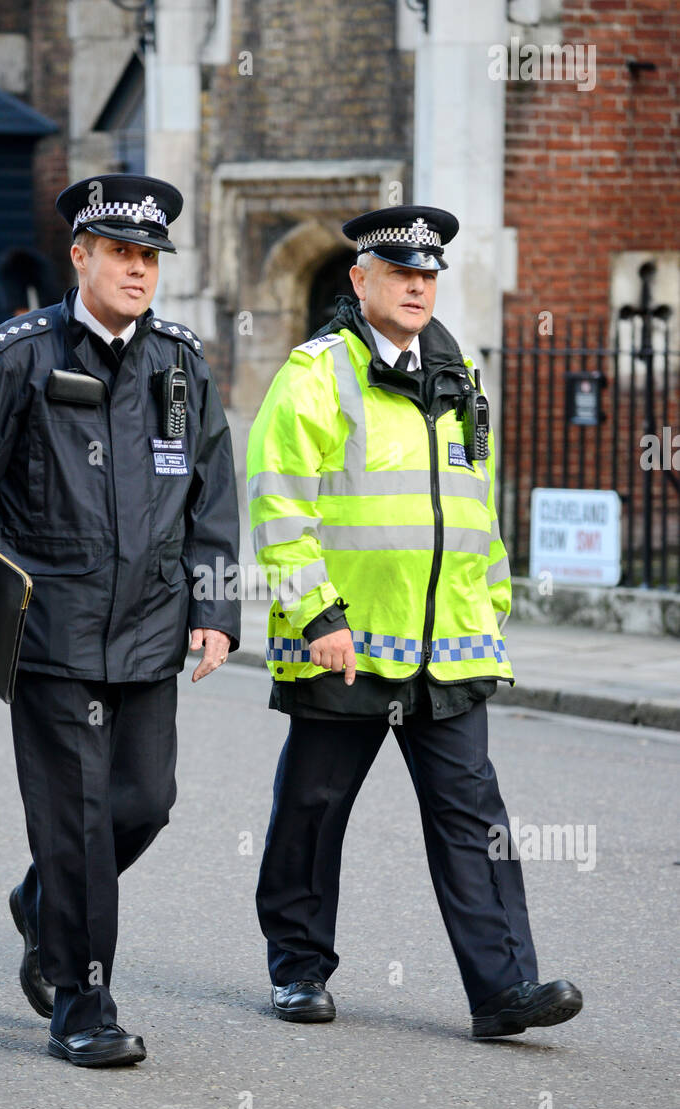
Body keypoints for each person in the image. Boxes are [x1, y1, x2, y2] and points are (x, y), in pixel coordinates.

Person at [0, 174, 240, 1067]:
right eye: (121, 253)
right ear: (80, 256)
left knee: (145, 804)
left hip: (150, 627)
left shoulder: (179, 361)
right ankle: (82, 1006)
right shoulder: (16, 354)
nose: (138, 271)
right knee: (78, 819)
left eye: (149, 257)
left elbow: (212, 497)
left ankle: (43, 903)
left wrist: (216, 606)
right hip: (49, 625)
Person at [246, 205, 582, 1040]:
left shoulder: (461, 377)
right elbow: (278, 499)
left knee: (474, 817)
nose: (416, 288)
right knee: (314, 809)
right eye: (400, 274)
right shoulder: (317, 372)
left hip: (449, 645)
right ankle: (297, 970)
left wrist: (492, 609)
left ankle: (504, 990)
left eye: (427, 276)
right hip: (346, 641)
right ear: (360, 281)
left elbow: (477, 506)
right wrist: (316, 612)